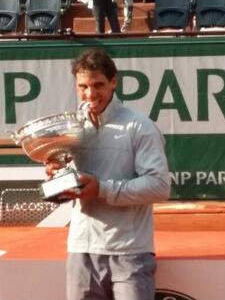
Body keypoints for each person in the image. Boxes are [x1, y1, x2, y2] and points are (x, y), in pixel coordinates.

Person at [45, 48, 171, 300]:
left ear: (114, 82)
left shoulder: (139, 126)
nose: (90, 94)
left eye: (98, 85)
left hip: (130, 251)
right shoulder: (70, 128)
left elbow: (160, 185)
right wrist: (56, 174)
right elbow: (68, 179)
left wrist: (102, 189)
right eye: (83, 86)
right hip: (81, 250)